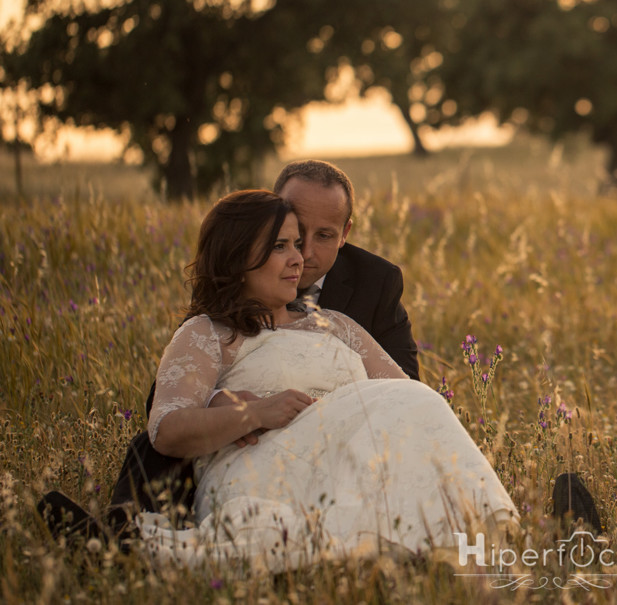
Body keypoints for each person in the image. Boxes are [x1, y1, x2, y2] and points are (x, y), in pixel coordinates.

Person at [37, 159, 421, 541]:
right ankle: (124, 531)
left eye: (323, 235)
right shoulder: (237, 282)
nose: (302, 251)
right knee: (154, 444)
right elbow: (170, 396)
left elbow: (408, 393)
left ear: (344, 233)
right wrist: (227, 403)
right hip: (248, 446)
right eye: (289, 234)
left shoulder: (375, 284)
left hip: (345, 443)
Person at [138, 189, 516, 570]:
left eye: (297, 245)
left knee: (421, 401)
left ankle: (460, 544)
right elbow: (165, 429)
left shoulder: (335, 325)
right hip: (265, 468)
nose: (298, 259)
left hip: (351, 461)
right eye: (280, 247)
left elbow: (406, 399)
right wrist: (252, 412)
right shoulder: (209, 333)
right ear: (237, 258)